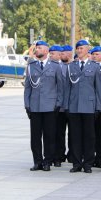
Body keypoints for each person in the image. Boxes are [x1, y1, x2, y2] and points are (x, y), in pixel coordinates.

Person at [64, 40, 101, 173]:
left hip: (89, 106)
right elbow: (67, 88)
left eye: (81, 48)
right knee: (75, 136)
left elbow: (99, 89)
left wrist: (98, 107)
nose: (79, 51)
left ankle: (88, 163)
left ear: (87, 50)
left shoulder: (95, 67)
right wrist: (66, 106)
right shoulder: (71, 66)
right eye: (77, 49)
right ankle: (76, 163)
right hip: (74, 106)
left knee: (89, 137)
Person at [24, 40, 63, 172]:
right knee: (35, 137)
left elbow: (60, 87)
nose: (36, 50)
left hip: (50, 106)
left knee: (49, 136)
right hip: (35, 106)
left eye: (39, 48)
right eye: (36, 48)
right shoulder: (31, 66)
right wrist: (27, 105)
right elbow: (28, 88)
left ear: (46, 51)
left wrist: (58, 104)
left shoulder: (55, 66)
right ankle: (37, 161)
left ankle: (47, 161)